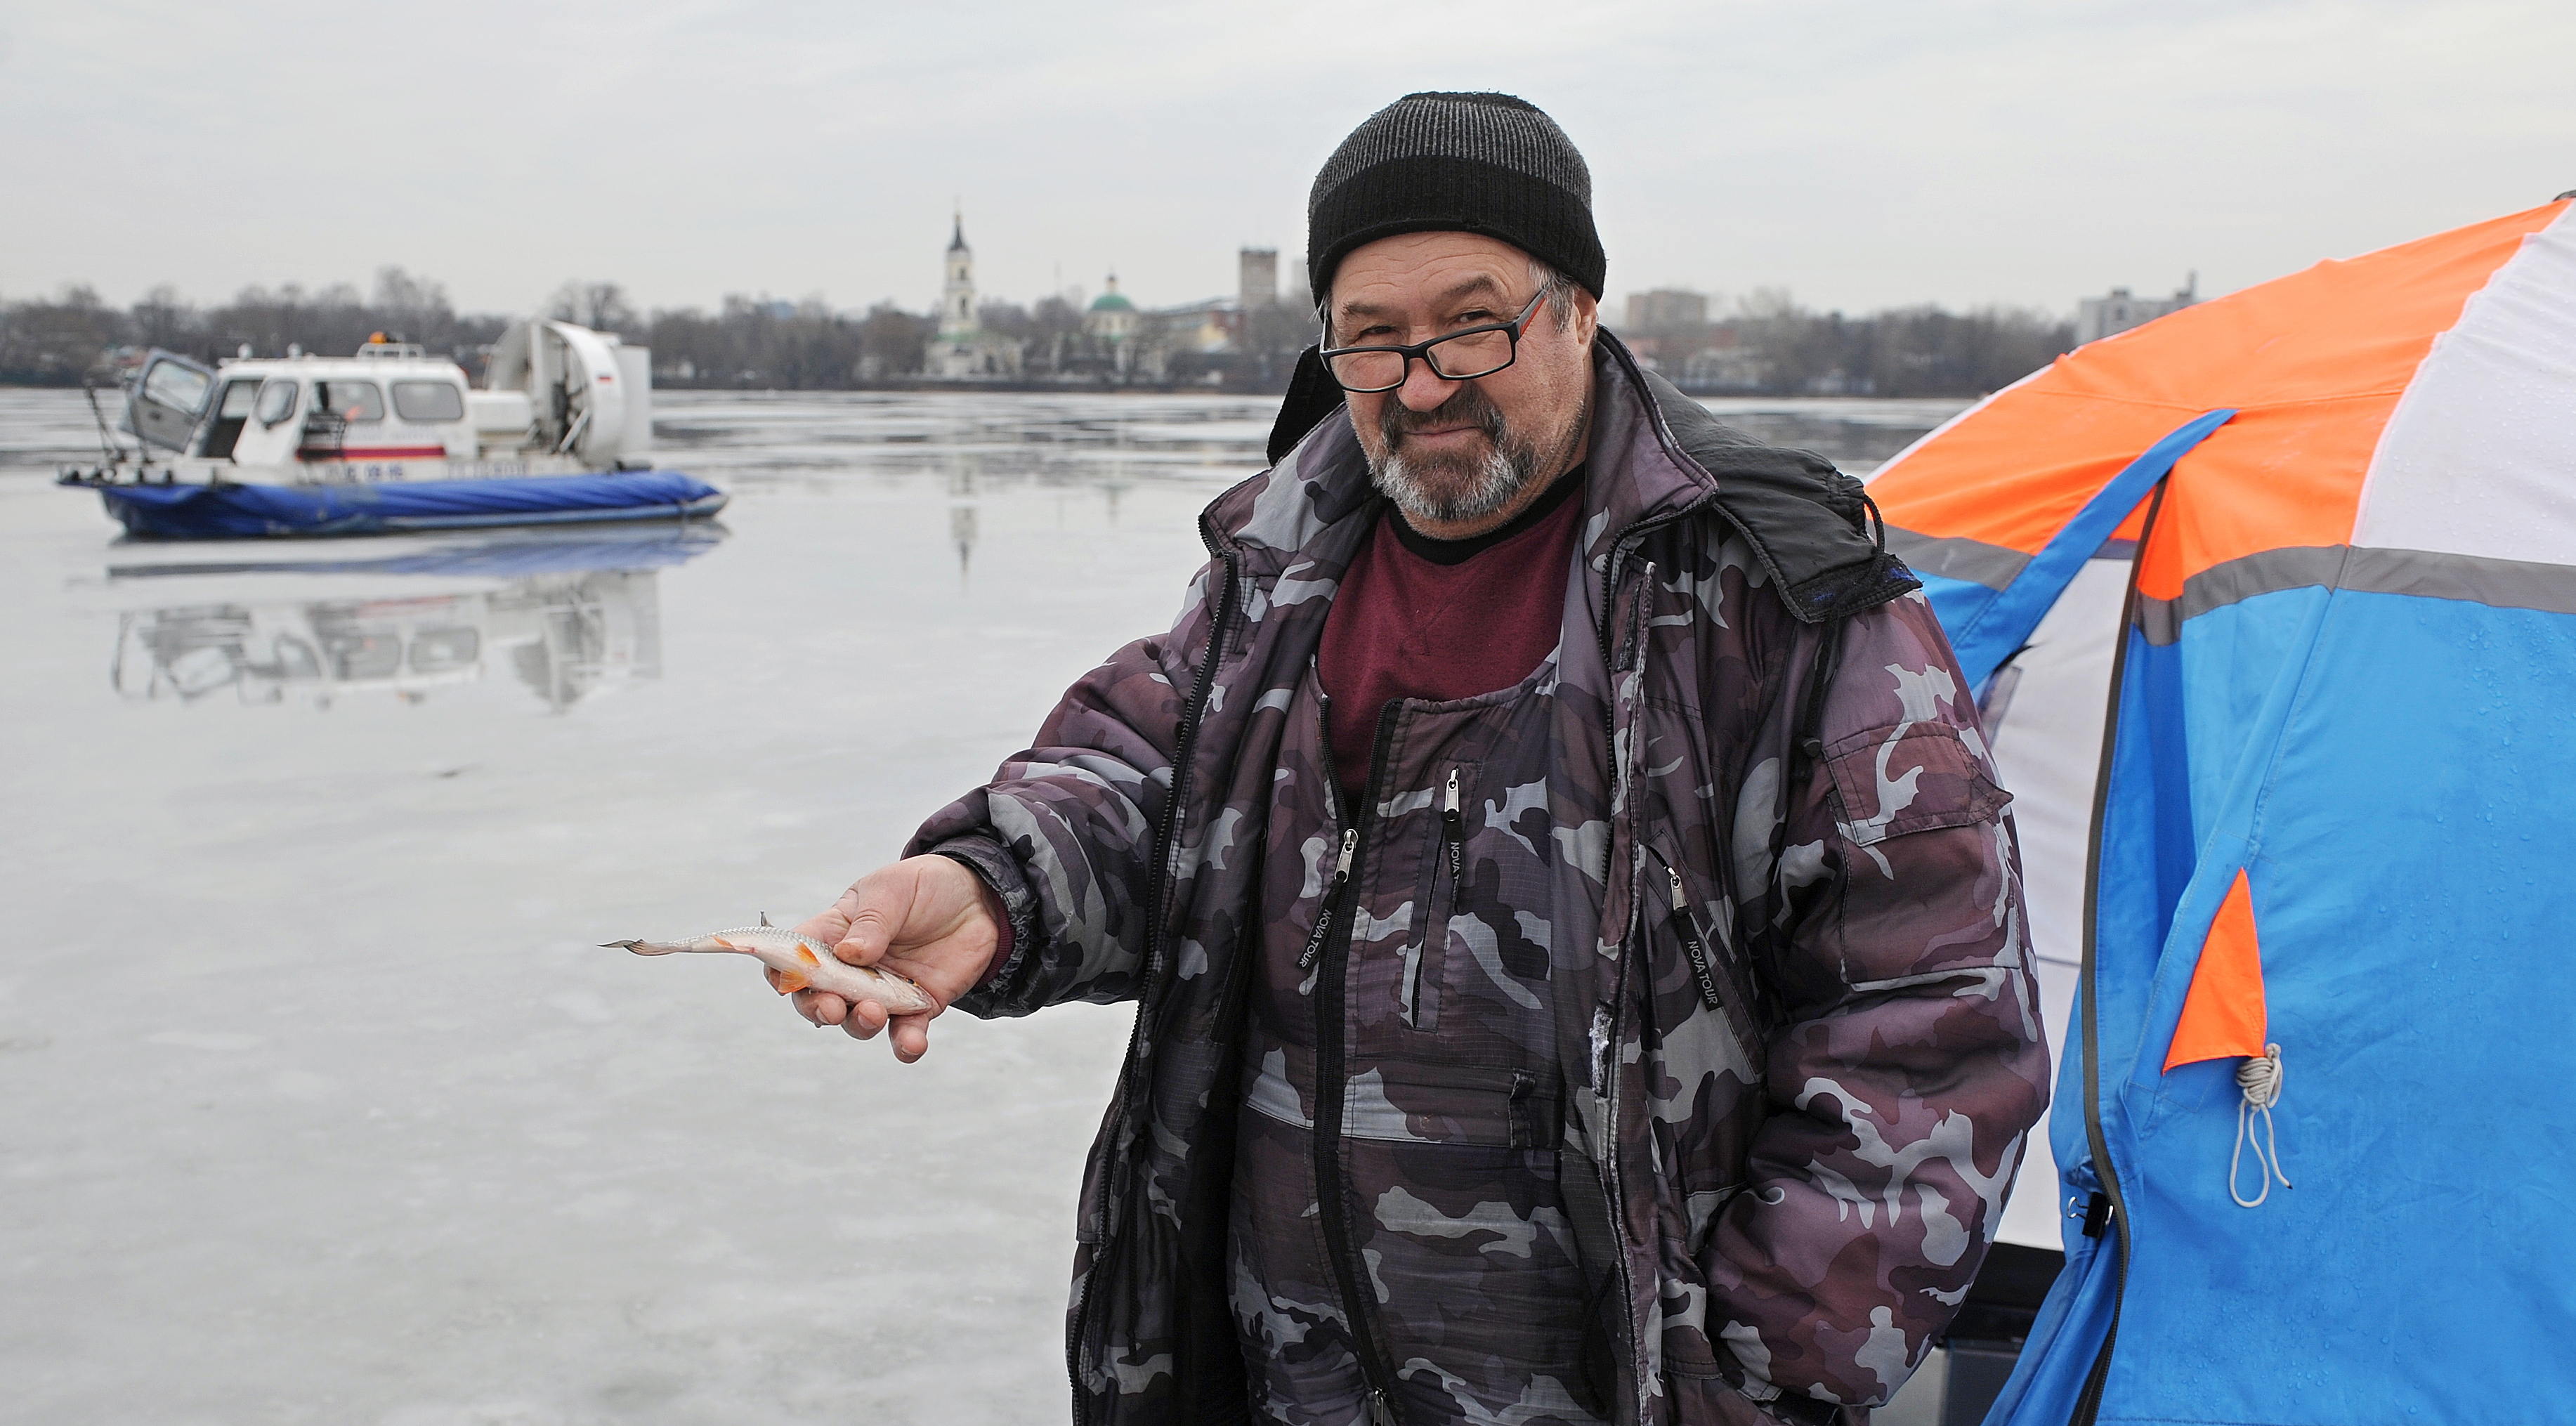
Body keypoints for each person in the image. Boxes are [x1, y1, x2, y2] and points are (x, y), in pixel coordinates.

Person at [780, 93, 2049, 1426]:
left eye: (1472, 322)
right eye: (1373, 340)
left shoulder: (1778, 605)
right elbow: (1141, 781)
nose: (1424, 378)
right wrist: (988, 889)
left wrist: (1745, 1380)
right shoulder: (1276, 576)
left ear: (1578, 309)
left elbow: (1932, 1037)